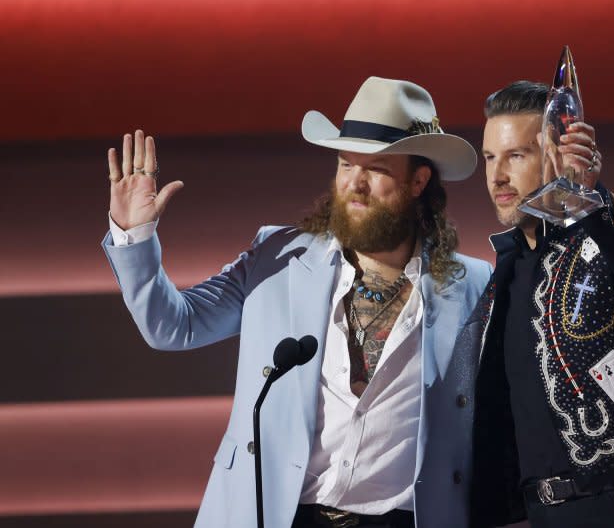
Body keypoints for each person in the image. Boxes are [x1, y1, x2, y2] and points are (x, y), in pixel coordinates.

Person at [102, 76, 492, 528]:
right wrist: (134, 236)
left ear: (419, 181)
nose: (356, 184)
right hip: (278, 514)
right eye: (347, 165)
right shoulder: (277, 257)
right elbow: (172, 326)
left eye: (377, 170)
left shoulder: (473, 286)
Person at [469, 81, 614, 527]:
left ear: (555, 153)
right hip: (543, 516)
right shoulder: (500, 282)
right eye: (490, 158)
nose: (497, 177)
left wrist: (590, 196)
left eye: (516, 156)